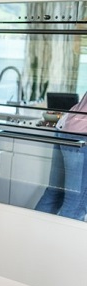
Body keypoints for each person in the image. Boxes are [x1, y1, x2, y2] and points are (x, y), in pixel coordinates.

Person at [35, 92, 87, 221]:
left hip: (65, 128)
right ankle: (61, 241)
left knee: (54, 193)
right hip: (80, 136)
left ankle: (29, 236)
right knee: (76, 203)